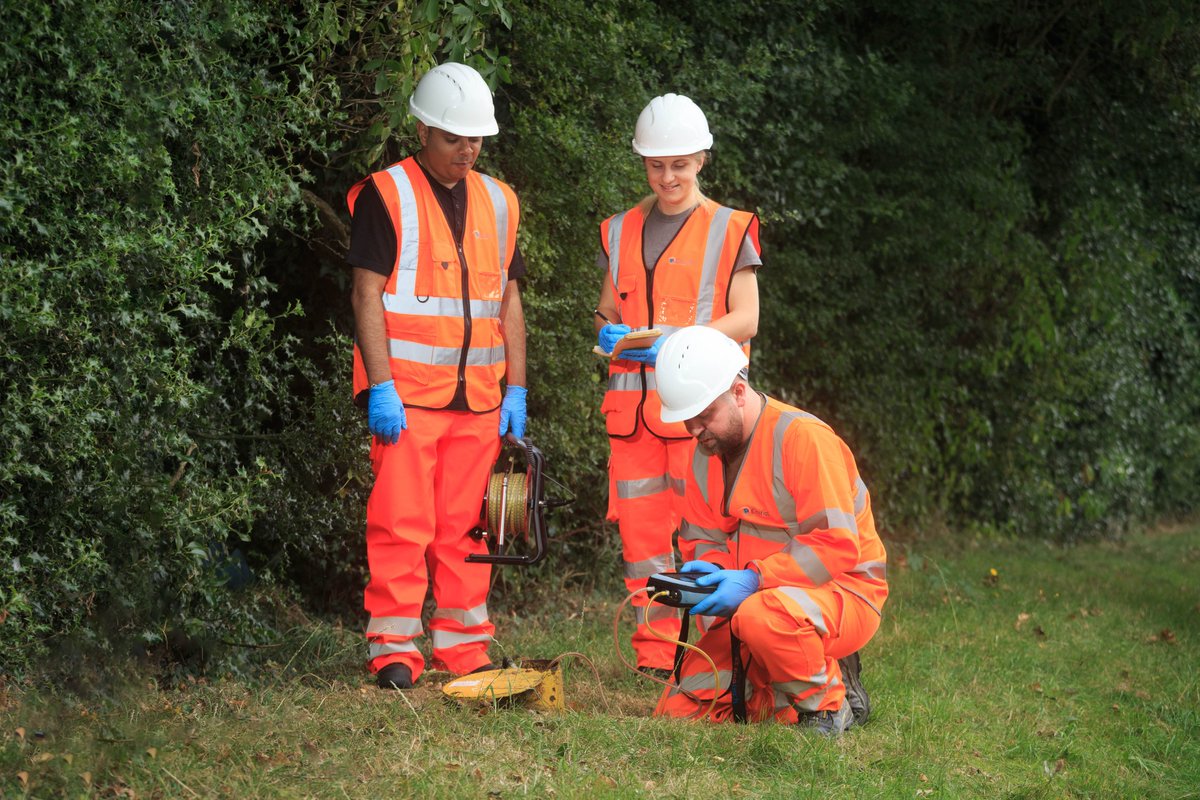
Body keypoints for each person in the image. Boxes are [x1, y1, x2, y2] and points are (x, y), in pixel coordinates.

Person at [346, 62, 529, 690]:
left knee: (468, 528)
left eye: (476, 138)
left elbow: (508, 302)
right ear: (423, 130)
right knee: (400, 523)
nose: (467, 150)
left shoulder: (501, 202)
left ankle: (464, 646)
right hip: (408, 400)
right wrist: (381, 384)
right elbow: (367, 294)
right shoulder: (386, 193)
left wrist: (518, 388)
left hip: (479, 401)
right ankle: (394, 648)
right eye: (454, 138)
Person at [594, 93, 763, 676]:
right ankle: (658, 657)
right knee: (644, 547)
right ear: (643, 163)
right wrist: (611, 333)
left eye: (680, 164)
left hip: (701, 414)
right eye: (656, 165)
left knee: (705, 538)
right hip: (633, 415)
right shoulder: (618, 231)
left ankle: (711, 653)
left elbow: (747, 318)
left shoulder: (730, 228)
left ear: (702, 160)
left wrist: (681, 340)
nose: (668, 176)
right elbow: (603, 311)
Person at [651, 326, 888, 735]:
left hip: (842, 592)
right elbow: (702, 539)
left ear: (738, 392)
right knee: (680, 708)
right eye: (688, 420)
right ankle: (793, 680)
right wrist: (710, 577)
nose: (695, 430)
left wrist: (753, 579)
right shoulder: (707, 452)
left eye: (704, 416)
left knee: (763, 619)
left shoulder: (804, 440)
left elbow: (835, 546)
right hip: (757, 600)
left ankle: (830, 706)